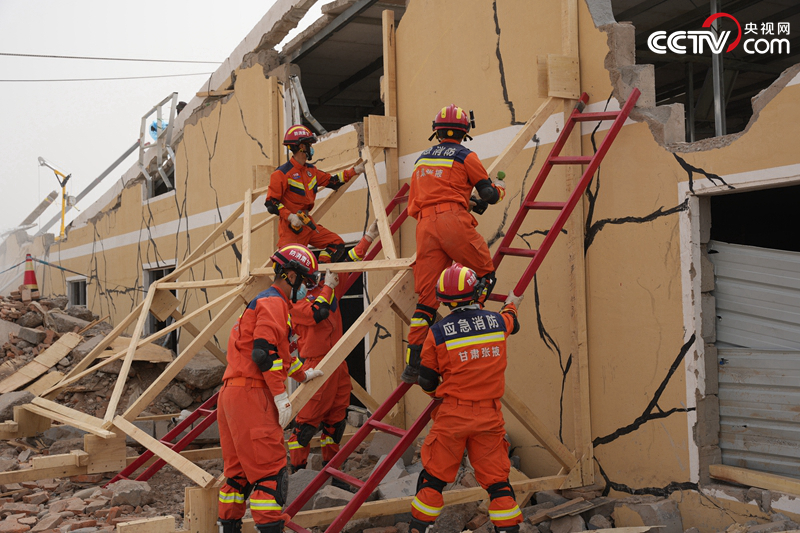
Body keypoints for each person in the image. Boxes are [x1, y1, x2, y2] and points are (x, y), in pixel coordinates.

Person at [217, 244, 325, 533]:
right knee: (270, 474)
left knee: (237, 476)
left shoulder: (266, 303)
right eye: (305, 282)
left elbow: (281, 354)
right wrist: (281, 398)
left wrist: (303, 375)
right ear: (290, 276)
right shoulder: (274, 303)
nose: (306, 289)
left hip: (231, 395)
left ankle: (229, 528)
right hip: (253, 395)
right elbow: (264, 355)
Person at [409, 264, 524, 533]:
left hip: (452, 415)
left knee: (433, 480)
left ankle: (419, 528)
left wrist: (436, 397)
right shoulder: (496, 323)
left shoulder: (437, 333)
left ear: (443, 299)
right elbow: (511, 321)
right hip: (489, 416)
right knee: (498, 483)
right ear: (477, 293)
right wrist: (512, 303)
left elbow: (426, 380)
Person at [401, 104, 507, 383]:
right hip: (453, 223)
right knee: (485, 273)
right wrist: (497, 191)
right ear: (465, 132)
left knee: (426, 301)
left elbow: (432, 194)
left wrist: (466, 201)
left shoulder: (421, 160)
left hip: (425, 227)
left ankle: (413, 364)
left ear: (435, 132)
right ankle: (472, 329)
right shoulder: (465, 155)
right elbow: (488, 193)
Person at [286, 220, 380, 472]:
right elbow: (318, 313)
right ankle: (298, 473)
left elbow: (350, 259)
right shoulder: (296, 302)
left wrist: (368, 238)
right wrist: (328, 285)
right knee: (305, 427)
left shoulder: (324, 288)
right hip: (316, 366)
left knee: (336, 421)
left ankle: (332, 466)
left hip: (338, 363)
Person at [264, 124, 366, 263]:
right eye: (309, 144)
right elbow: (271, 203)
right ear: (301, 147)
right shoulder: (281, 173)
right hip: (290, 229)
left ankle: (321, 275)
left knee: (336, 244)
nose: (311, 148)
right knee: (289, 266)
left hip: (308, 224)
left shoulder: (311, 171)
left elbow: (333, 181)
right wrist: (291, 217)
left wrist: (355, 170)